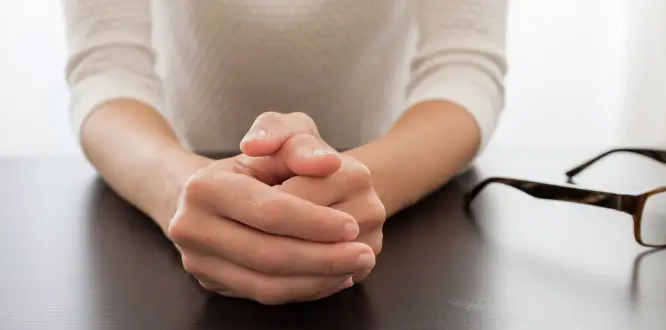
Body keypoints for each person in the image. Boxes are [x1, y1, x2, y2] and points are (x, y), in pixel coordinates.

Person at [60, 0, 508, 304]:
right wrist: (183, 189)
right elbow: (108, 69)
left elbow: (463, 69)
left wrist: (361, 184)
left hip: (392, 213)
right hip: (176, 194)